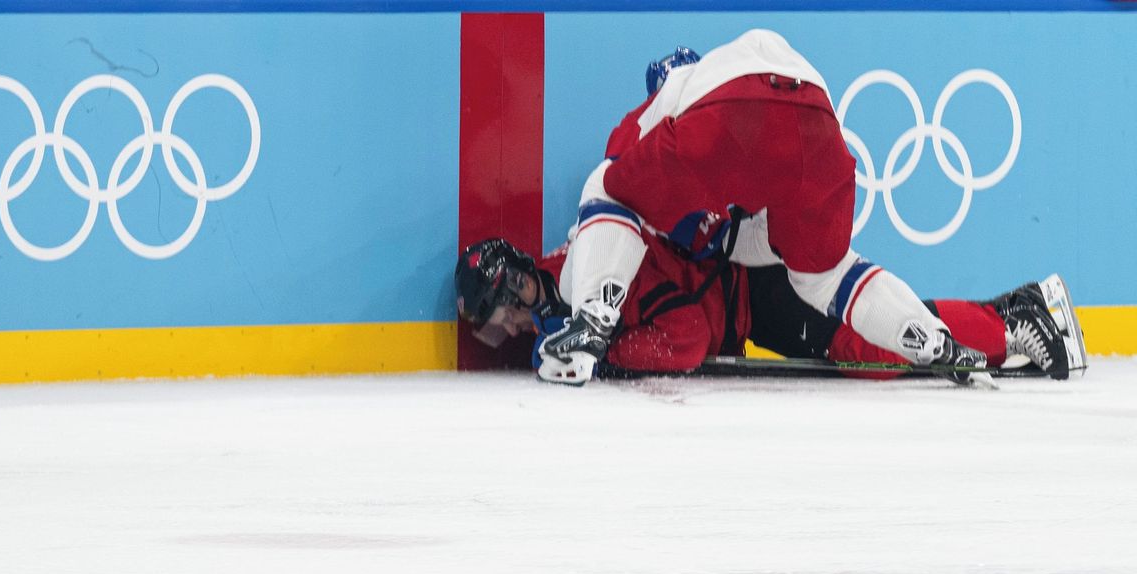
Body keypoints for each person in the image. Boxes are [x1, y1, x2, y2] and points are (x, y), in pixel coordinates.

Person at [541, 29, 1005, 385]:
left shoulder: (669, 99)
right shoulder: (727, 74)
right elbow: (756, 241)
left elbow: (620, 191)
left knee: (606, 186)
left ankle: (591, 323)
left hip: (730, 109)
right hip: (819, 117)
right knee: (826, 274)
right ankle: (932, 341)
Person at [454, 235, 1086, 384]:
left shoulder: (586, 279)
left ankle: (1016, 324)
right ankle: (1008, 311)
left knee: (874, 346)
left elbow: (687, 337)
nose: (499, 331)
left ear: (513, 288)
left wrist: (610, 356)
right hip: (754, 295)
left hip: (759, 297)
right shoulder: (573, 281)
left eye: (493, 315)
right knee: (877, 337)